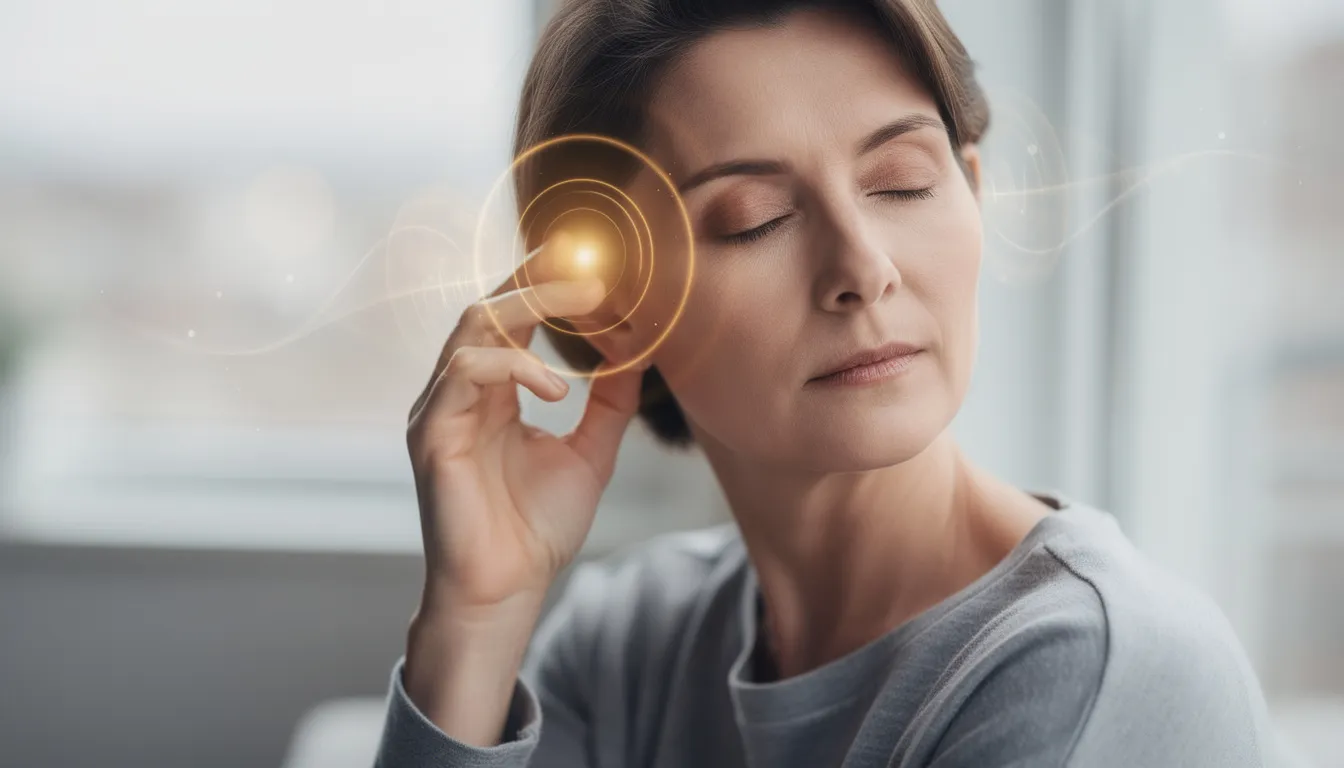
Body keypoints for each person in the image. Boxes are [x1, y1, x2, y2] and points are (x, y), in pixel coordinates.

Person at [377, 1, 1277, 765]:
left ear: (970, 188)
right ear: (614, 306)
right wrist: (472, 622)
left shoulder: (1095, 669)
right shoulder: (627, 646)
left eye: (902, 183)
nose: (863, 267)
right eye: (755, 220)